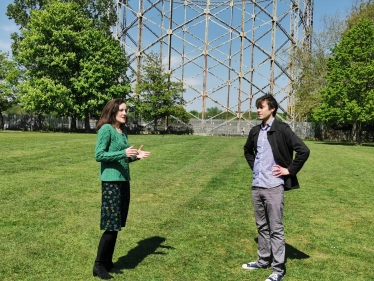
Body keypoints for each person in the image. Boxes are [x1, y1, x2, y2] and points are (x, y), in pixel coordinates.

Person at [242, 94, 310, 281]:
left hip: (274, 187)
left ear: (272, 109)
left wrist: (289, 170)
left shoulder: (282, 129)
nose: (258, 110)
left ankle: (278, 269)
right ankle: (263, 260)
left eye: (262, 107)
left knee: (276, 228)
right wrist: (255, 168)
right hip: (257, 186)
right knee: (261, 226)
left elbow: (304, 150)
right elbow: (247, 151)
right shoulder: (256, 131)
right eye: (258, 107)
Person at [93, 98, 150, 280]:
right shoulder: (106, 129)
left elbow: (123, 157)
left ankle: (108, 262)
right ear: (113, 112)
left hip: (124, 181)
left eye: (126, 110)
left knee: (116, 225)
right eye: (122, 110)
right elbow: (99, 155)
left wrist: (135, 156)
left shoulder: (122, 131)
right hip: (111, 183)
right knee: (111, 225)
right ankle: (99, 265)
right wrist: (123, 153)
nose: (125, 113)